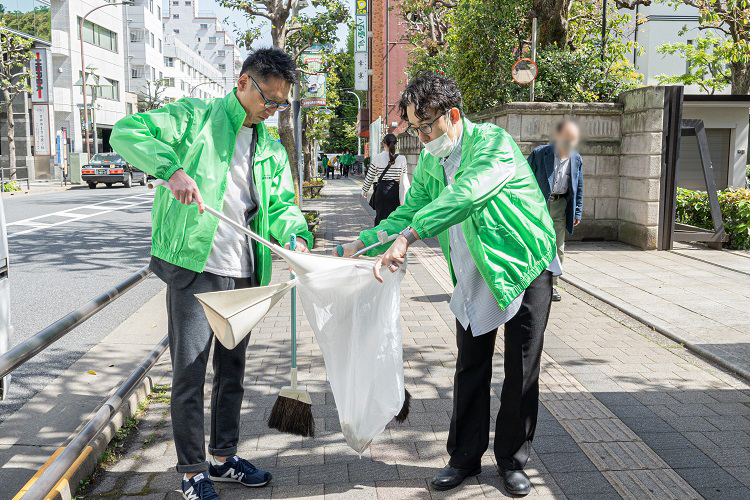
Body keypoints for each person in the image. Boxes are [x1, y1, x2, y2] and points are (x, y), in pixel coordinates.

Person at [335, 73, 557, 496]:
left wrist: (409, 238)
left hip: (527, 263)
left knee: (521, 369)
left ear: (453, 115)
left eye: (427, 126)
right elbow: (408, 211)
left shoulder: (493, 143)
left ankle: (512, 459)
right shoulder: (433, 165)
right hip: (478, 271)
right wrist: (357, 244)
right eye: (415, 128)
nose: (422, 136)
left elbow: (469, 194)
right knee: (470, 365)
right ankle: (464, 458)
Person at [110, 47, 312, 500]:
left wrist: (295, 238)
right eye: (268, 98)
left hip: (244, 272)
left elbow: (281, 206)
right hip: (195, 270)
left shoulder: (271, 147)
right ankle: (190, 472)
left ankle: (222, 460)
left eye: (281, 103)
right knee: (189, 373)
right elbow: (125, 132)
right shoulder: (194, 118)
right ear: (243, 83)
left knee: (232, 373)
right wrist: (172, 169)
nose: (272, 109)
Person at [527, 120, 583, 302]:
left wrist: (577, 211)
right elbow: (524, 178)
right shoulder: (539, 153)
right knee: (535, 244)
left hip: (560, 206)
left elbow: (579, 186)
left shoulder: (576, 158)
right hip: (538, 206)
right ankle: (530, 283)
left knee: (558, 247)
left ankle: (553, 286)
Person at [361, 134, 408, 224]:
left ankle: (379, 236)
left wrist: (364, 190)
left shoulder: (378, 157)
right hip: (395, 191)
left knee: (380, 217)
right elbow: (404, 179)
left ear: (384, 144)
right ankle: (392, 237)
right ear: (396, 144)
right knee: (394, 218)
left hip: (381, 191)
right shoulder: (402, 159)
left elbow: (370, 175)